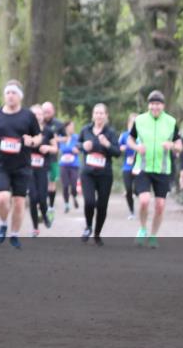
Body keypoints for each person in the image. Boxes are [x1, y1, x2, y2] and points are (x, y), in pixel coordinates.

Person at [0, 80, 42, 249]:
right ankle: (3, 223)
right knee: (2, 198)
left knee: (18, 202)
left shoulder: (28, 116)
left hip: (22, 165)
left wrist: (32, 141)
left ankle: (15, 234)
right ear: (4, 95)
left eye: (14, 92)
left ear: (20, 96)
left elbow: (38, 137)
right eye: (8, 92)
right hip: (0, 163)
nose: (10, 95)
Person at [130, 90, 182, 248]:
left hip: (163, 170)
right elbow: (130, 139)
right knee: (144, 201)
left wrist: (172, 145)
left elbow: (179, 146)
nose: (155, 107)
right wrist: (137, 147)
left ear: (163, 106)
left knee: (160, 205)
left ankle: (153, 236)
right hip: (143, 168)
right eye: (152, 104)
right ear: (148, 105)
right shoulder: (139, 120)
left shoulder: (171, 122)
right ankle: (142, 229)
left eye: (158, 104)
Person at [77, 103, 122, 246]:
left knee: (102, 206)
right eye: (96, 113)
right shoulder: (86, 130)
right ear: (93, 115)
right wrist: (83, 146)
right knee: (89, 202)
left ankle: (97, 233)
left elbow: (117, 152)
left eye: (101, 113)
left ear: (106, 116)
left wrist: (107, 144)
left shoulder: (110, 132)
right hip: (88, 173)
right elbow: (77, 145)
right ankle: (88, 227)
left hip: (105, 175)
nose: (99, 115)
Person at [27, 104, 58, 237]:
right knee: (33, 198)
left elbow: (56, 148)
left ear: (43, 116)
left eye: (39, 114)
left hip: (42, 168)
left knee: (42, 198)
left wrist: (47, 148)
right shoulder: (25, 130)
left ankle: (45, 215)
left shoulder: (48, 130)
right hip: (28, 169)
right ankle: (35, 228)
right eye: (34, 114)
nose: (37, 116)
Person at [41, 102, 66, 213]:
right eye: (44, 111)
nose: (46, 113)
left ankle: (51, 205)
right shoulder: (37, 123)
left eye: (48, 111)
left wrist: (56, 139)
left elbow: (66, 138)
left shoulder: (59, 124)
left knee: (52, 181)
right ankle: (41, 203)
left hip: (52, 156)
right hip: (39, 156)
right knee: (41, 180)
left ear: (53, 111)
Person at [57, 121, 81, 213]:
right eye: (71, 126)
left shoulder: (76, 137)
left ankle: (74, 196)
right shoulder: (61, 138)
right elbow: (61, 149)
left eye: (73, 126)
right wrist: (71, 149)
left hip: (74, 165)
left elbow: (79, 149)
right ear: (66, 128)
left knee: (74, 185)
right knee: (65, 185)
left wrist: (77, 150)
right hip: (63, 165)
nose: (72, 128)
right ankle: (66, 204)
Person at [118, 113, 138, 219]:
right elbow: (117, 146)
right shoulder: (124, 135)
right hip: (127, 166)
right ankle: (131, 211)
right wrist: (122, 148)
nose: (134, 124)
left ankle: (137, 192)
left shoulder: (142, 135)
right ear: (129, 123)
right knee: (128, 189)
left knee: (138, 189)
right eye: (133, 122)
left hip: (139, 166)